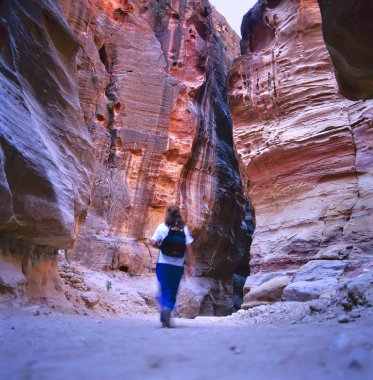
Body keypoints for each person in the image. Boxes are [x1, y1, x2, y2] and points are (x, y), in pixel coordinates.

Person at [149, 205, 194, 328]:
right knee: (172, 289)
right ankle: (168, 307)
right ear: (179, 215)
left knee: (164, 287)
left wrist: (161, 247)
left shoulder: (162, 227)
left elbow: (152, 242)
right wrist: (190, 265)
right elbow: (188, 247)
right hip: (177, 265)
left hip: (163, 263)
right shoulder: (183, 229)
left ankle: (165, 307)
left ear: (167, 214)